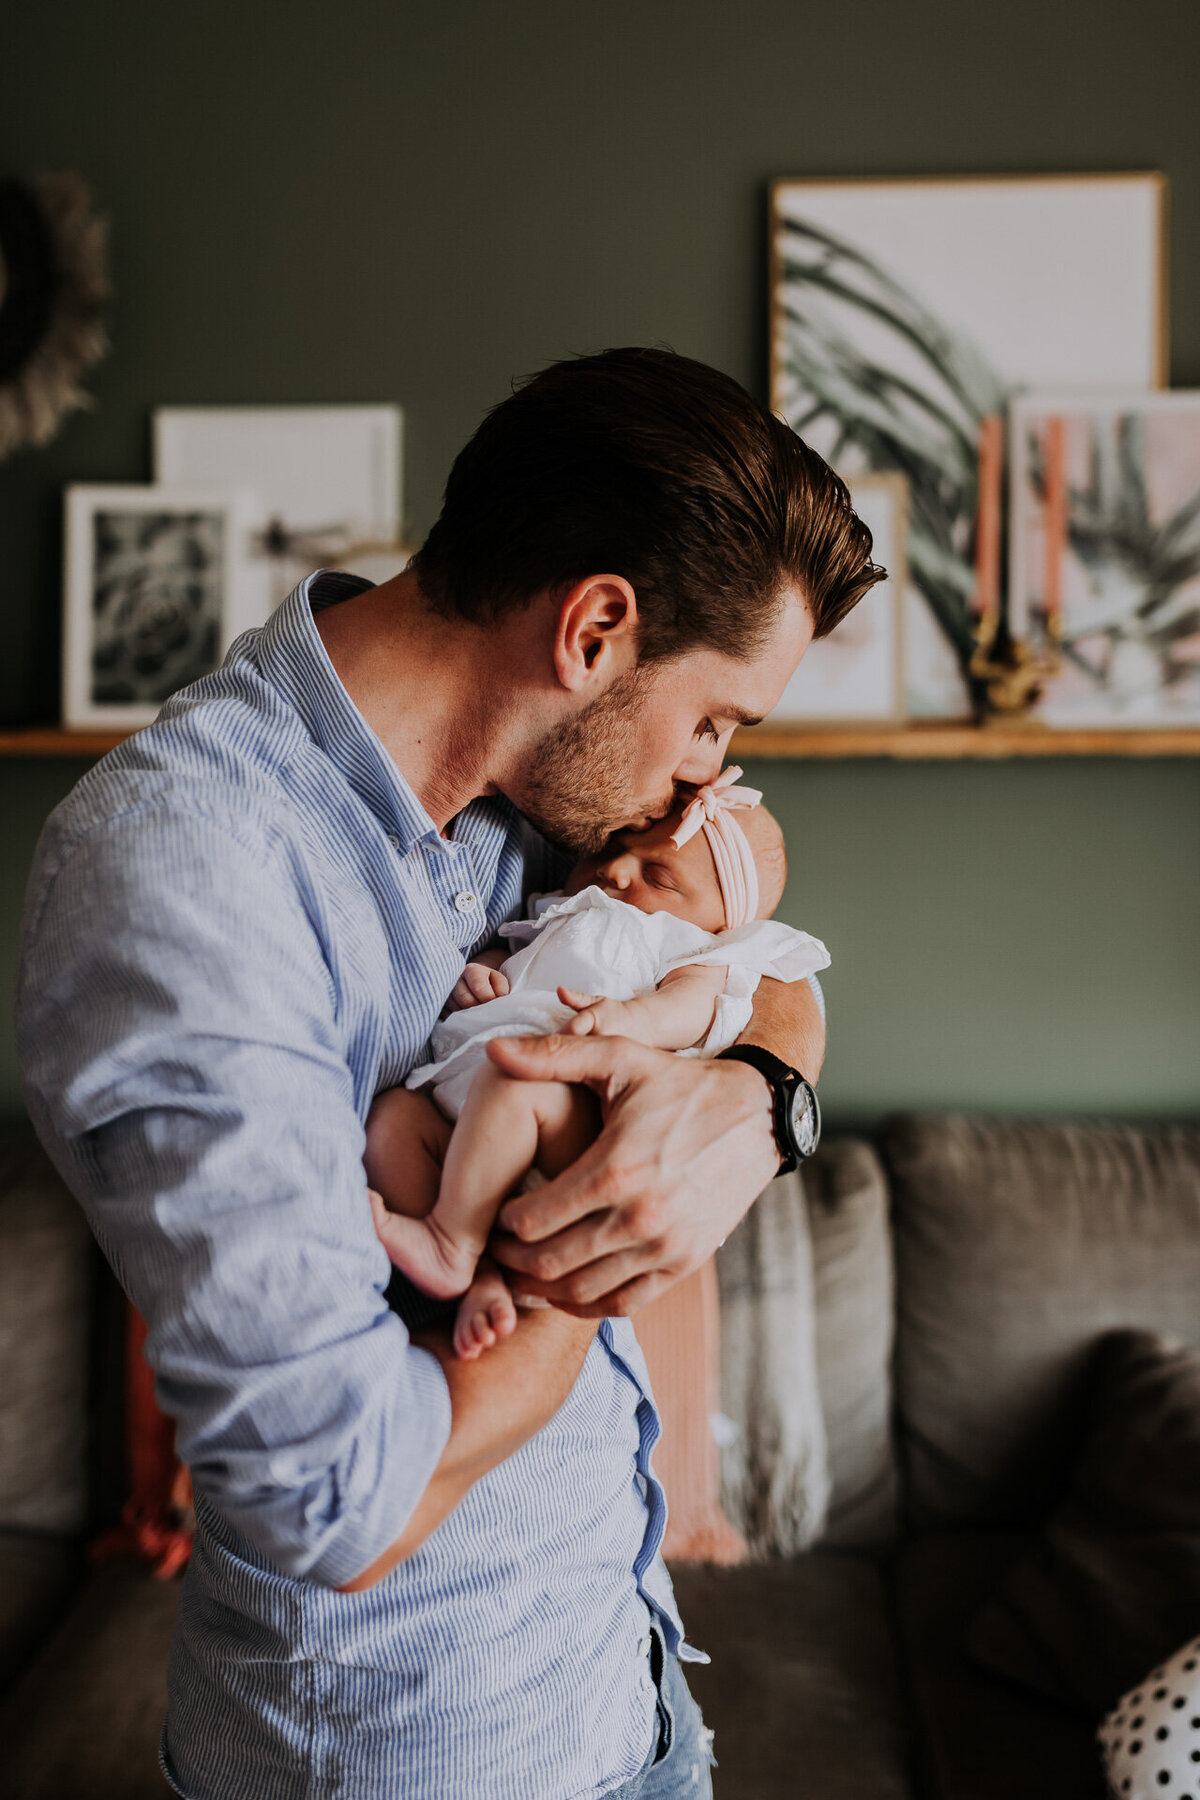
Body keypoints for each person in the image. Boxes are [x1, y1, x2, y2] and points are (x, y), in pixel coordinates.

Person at [16, 347, 882, 1800]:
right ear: (596, 629)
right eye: (718, 722)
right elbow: (337, 1496)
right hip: (423, 1756)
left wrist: (754, 1103)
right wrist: (564, 1274)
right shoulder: (184, 876)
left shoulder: (544, 782)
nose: (713, 784)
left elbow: (766, 953)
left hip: (626, 1676)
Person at [366, 778, 830, 1360]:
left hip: (569, 1106)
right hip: (470, 1084)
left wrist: (634, 1020)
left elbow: (690, 1007)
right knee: (391, 1120)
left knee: (517, 1082)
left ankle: (450, 1242)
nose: (617, 872)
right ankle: (477, 1277)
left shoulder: (693, 950)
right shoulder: (562, 907)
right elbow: (516, 958)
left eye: (658, 877)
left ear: (721, 923)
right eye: (612, 850)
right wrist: (483, 974)